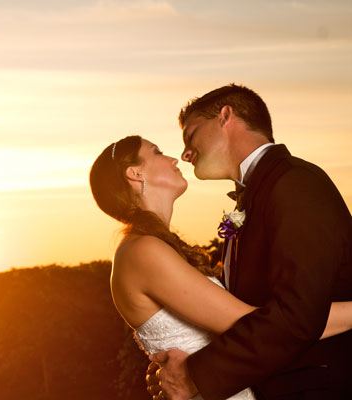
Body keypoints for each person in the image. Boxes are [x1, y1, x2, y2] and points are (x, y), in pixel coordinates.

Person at [89, 134, 352, 400]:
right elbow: (256, 325)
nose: (173, 158)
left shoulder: (151, 247)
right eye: (157, 152)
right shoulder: (143, 251)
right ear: (134, 173)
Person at [144, 84, 352, 400]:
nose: (185, 153)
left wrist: (195, 375)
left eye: (191, 135)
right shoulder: (259, 194)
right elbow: (249, 311)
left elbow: (299, 315)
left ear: (226, 117)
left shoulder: (296, 183)